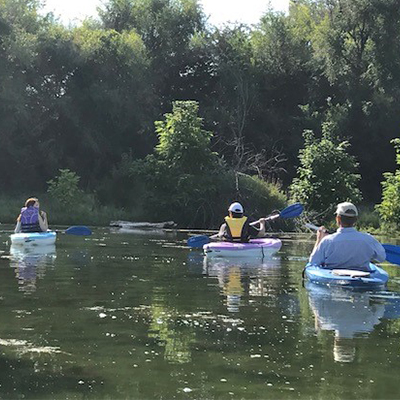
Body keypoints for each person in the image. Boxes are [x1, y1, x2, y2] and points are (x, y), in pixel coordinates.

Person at [309, 201, 385, 271]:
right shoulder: (369, 239)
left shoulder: (327, 241)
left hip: (333, 279)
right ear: (356, 220)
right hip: (363, 278)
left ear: (338, 219)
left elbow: (313, 262)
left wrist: (319, 239)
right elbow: (381, 258)